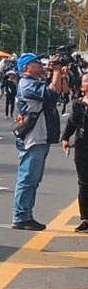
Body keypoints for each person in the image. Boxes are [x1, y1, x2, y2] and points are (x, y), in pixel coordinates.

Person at [11, 52, 69, 231]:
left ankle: (25, 214)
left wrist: (60, 74)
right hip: (33, 137)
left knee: (34, 178)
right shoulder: (26, 84)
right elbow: (51, 94)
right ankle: (21, 216)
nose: (40, 64)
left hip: (42, 135)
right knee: (28, 177)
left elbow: (62, 93)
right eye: (35, 62)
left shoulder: (36, 82)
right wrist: (56, 71)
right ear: (26, 68)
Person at [61, 71, 88, 234]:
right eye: (86, 80)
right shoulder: (78, 104)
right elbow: (72, 122)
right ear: (81, 86)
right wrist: (65, 138)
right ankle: (85, 219)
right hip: (82, 145)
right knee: (84, 183)